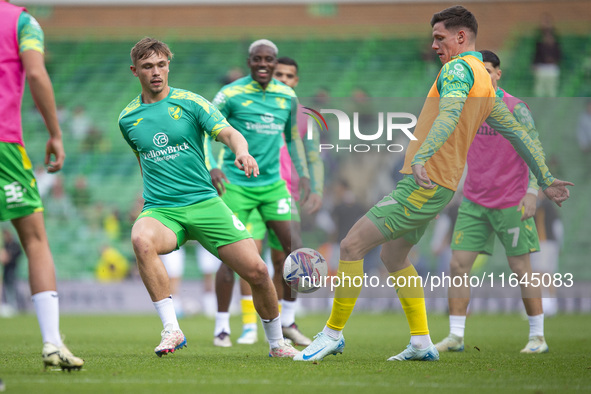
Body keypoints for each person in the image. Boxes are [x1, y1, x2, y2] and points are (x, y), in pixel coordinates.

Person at [295, 5, 573, 363]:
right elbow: (517, 133)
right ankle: (422, 342)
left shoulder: (457, 68)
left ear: (461, 37)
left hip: (423, 182)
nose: (434, 45)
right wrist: (546, 178)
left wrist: (423, 157)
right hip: (441, 186)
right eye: (433, 39)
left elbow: (451, 112)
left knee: (350, 246)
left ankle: (331, 334)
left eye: (440, 38)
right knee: (393, 257)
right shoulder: (485, 82)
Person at [118, 37, 299, 358]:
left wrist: (241, 151)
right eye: (148, 67)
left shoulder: (192, 103)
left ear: (168, 66)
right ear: (135, 71)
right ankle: (171, 329)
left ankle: (277, 344)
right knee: (141, 240)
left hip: (205, 203)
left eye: (161, 64)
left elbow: (228, 132)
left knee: (257, 272)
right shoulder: (127, 119)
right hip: (163, 210)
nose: (156, 72)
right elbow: (143, 162)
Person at [434, 50, 549, 354]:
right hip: (474, 201)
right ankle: (456, 336)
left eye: (487, 71)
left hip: (511, 200)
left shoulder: (516, 108)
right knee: (458, 265)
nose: (482, 77)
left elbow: (535, 149)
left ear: (498, 74)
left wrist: (532, 191)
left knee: (521, 268)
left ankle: (538, 337)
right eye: (476, 72)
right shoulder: (466, 108)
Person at [209, 41, 311, 347]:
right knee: (231, 258)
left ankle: (289, 321)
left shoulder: (287, 96)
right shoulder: (230, 94)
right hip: (236, 186)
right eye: (258, 59)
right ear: (250, 61)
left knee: (294, 251)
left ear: (275, 61)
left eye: (269, 59)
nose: (264, 64)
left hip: (273, 185)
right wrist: (212, 167)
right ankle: (222, 326)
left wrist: (302, 172)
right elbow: (205, 131)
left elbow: (292, 139)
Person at [0, 1, 84, 371]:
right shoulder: (21, 21)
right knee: (34, 239)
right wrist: (55, 133)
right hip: (4, 145)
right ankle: (52, 343)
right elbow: (35, 74)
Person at [227, 56, 325, 346]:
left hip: (285, 196)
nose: (283, 79)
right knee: (249, 257)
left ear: (296, 81)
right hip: (251, 188)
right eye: (278, 74)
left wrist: (316, 188)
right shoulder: (252, 108)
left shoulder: (304, 117)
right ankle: (248, 325)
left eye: (289, 76)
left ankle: (287, 322)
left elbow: (313, 156)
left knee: (287, 259)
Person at [531, 190, 563, 317]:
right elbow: (558, 226)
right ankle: (551, 304)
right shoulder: (549, 206)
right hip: (550, 244)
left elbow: (556, 226)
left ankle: (543, 305)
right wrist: (559, 244)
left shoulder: (542, 206)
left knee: (540, 274)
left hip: (543, 243)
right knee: (548, 275)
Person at [532, 14, 561, 97]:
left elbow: (558, 53)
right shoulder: (539, 38)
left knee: (552, 90)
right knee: (540, 90)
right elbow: (536, 52)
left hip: (552, 67)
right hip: (542, 66)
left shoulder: (555, 38)